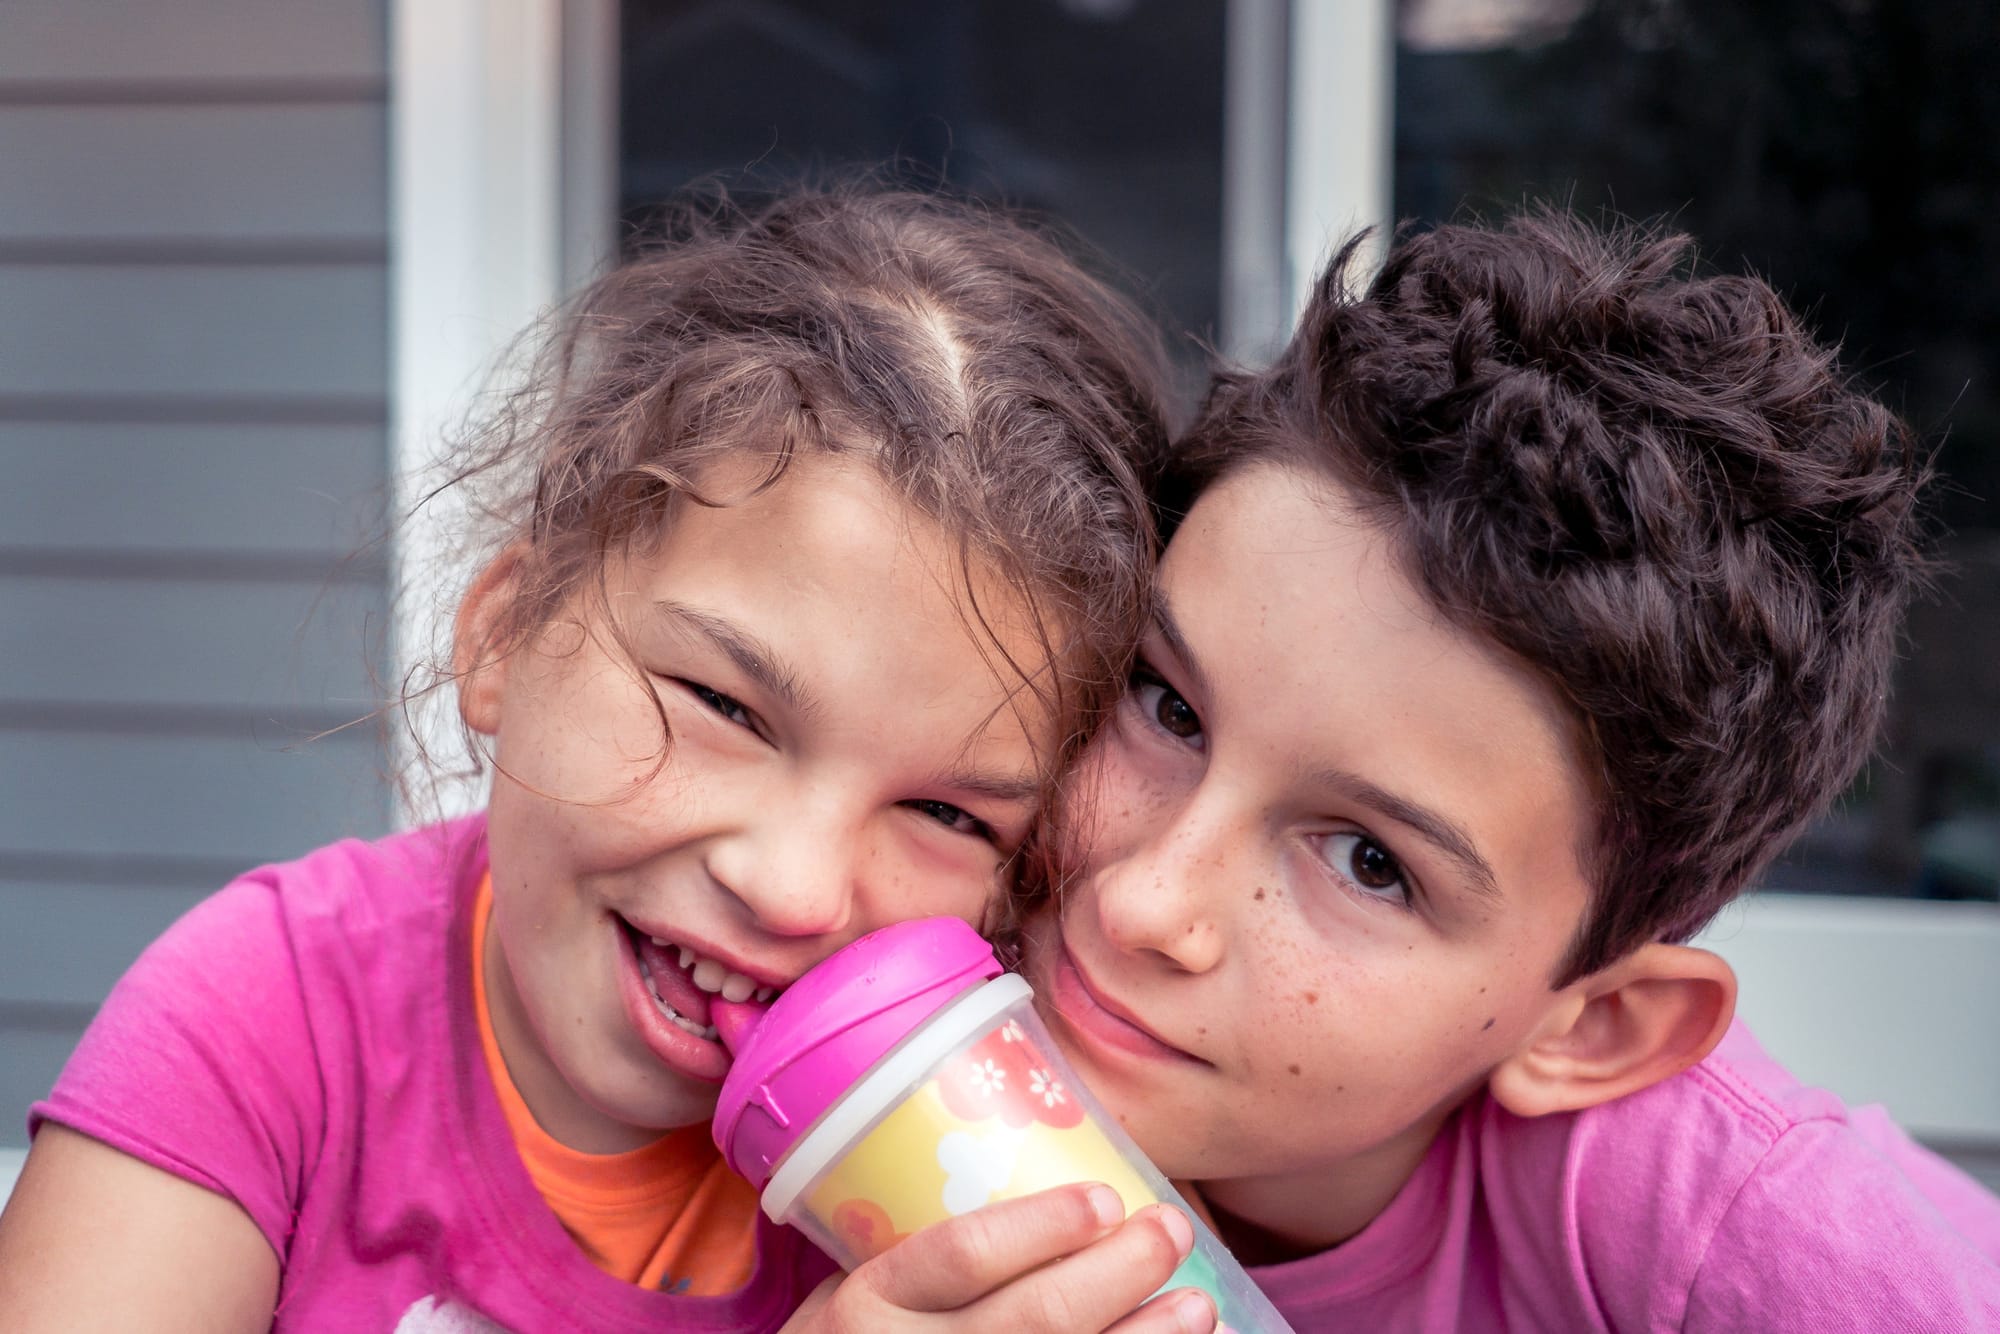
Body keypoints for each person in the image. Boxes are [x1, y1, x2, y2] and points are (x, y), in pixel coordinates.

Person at [0, 186, 1211, 1333]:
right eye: (724, 705)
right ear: (507, 631)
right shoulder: (264, 1020)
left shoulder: (975, 1150)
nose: (790, 888)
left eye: (946, 813)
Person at [1006, 213, 2000, 1329]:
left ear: (1590, 1028)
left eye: (1370, 862)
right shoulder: (864, 903)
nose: (1142, 900)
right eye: (1167, 705)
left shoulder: (1737, 1215)